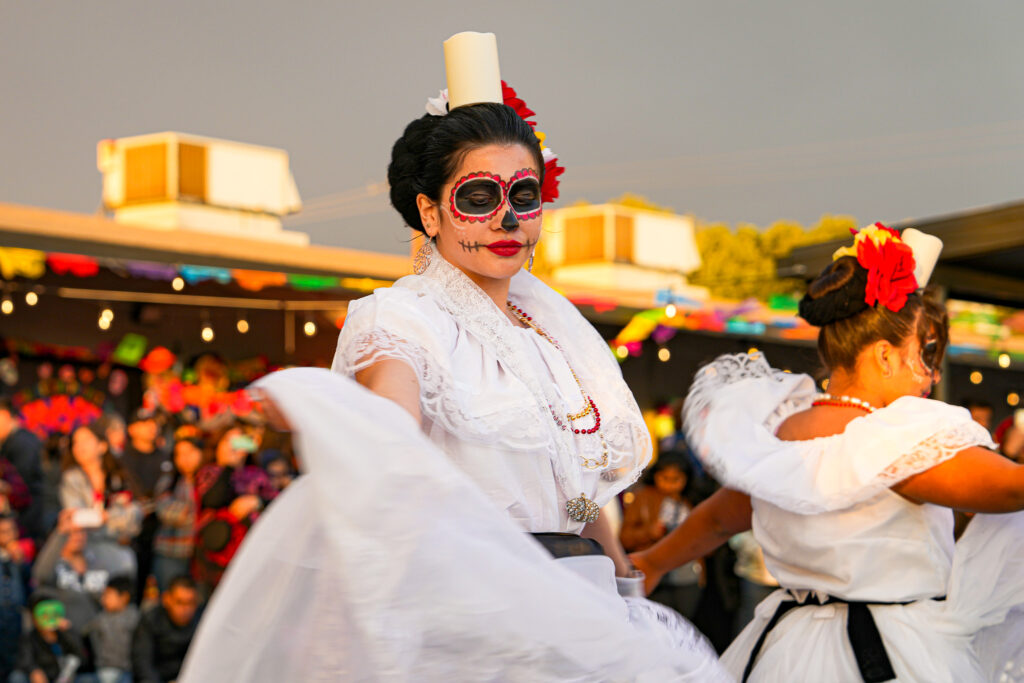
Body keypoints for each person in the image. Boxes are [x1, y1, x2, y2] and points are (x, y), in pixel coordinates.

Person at [179, 31, 725, 682]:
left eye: (524, 195)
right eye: (477, 197)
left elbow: (575, 503)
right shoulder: (404, 315)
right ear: (430, 212)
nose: (505, 217)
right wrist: (332, 412)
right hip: (481, 629)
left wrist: (627, 591)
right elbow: (391, 415)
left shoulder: (552, 332)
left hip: (582, 614)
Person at [631, 223, 1024, 681]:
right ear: (883, 356)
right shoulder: (897, 440)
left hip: (784, 647)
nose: (930, 377)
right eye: (924, 354)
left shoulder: (781, 433)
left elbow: (720, 518)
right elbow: (1013, 489)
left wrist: (651, 562)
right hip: (887, 651)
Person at [192, 423, 275, 595]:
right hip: (217, 552)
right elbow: (211, 500)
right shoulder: (208, 472)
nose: (234, 447)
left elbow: (276, 503)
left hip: (251, 551)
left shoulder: (257, 474)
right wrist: (228, 467)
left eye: (239, 442)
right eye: (229, 441)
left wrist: (256, 501)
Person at [620, 452, 703, 621]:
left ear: (686, 479)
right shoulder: (643, 497)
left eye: (676, 479)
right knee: (655, 623)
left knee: (684, 623)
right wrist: (649, 532)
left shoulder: (692, 500)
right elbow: (624, 538)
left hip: (687, 576)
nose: (670, 484)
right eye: (664, 478)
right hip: (655, 572)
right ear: (655, 475)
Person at [58, 422, 142, 581]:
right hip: (87, 551)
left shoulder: (118, 477)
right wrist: (112, 518)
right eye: (76, 442)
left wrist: (104, 517)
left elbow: (135, 515)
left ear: (102, 446)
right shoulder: (72, 478)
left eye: (86, 440)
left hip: (120, 551)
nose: (79, 446)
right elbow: (77, 517)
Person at [121, 409, 171, 605]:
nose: (152, 427)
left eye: (154, 422)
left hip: (160, 528)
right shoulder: (122, 458)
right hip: (130, 529)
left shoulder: (166, 457)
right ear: (132, 429)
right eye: (145, 422)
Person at [151, 427, 202, 593]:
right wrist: (199, 514)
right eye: (179, 454)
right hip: (172, 554)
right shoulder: (169, 481)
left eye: (190, 452)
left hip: (200, 557)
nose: (184, 458)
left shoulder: (209, 480)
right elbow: (166, 511)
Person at [132, 575, 199, 683]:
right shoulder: (151, 621)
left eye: (190, 603)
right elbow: (142, 662)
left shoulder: (201, 623)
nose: (185, 609)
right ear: (167, 599)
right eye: (179, 602)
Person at [11, 594, 90, 683]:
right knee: (17, 677)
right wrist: (35, 671)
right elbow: (26, 661)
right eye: (44, 615)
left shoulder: (65, 635)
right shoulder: (29, 638)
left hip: (67, 677)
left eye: (53, 614)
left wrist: (68, 632)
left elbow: (81, 659)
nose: (49, 619)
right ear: (34, 618)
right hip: (43, 678)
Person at [0, 397, 46, 544]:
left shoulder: (21, 442)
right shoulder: (15, 441)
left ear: (5, 415)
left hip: (29, 518)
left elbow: (22, 487)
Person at [82, 575, 138, 683]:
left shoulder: (134, 618)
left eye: (108, 595)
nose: (103, 599)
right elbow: (86, 632)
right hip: (101, 670)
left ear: (124, 597)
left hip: (125, 671)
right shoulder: (100, 618)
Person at [0, 513, 30, 681]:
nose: (8, 535)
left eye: (11, 530)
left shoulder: (20, 559)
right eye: (3, 531)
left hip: (15, 626)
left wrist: (21, 563)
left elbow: (28, 588)